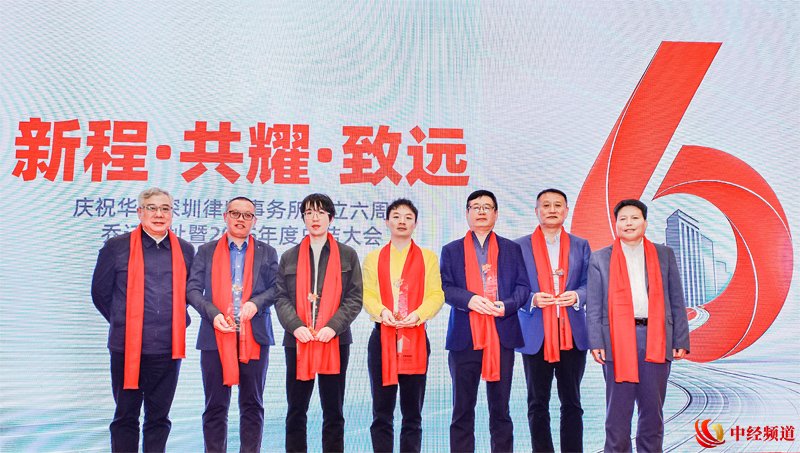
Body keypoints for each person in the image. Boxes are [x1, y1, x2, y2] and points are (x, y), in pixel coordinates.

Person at [91, 187, 194, 452]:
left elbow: (189, 293)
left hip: (168, 349)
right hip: (127, 347)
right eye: (152, 208)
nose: (159, 214)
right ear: (139, 212)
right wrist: (124, 321)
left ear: (172, 213)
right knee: (126, 416)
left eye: (165, 209)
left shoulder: (185, 250)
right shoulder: (117, 247)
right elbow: (100, 293)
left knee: (159, 418)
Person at [586, 199, 690, 452]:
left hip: (656, 338)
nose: (629, 223)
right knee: (617, 414)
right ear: (616, 224)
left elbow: (676, 299)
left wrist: (680, 339)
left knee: (652, 412)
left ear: (645, 222)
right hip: (616, 340)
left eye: (634, 218)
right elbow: (594, 305)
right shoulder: (600, 258)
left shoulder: (664, 254)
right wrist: (596, 341)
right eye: (623, 219)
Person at [440, 189, 530, 453]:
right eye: (475, 207)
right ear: (467, 213)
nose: (481, 211)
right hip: (464, 337)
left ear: (496, 214)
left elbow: (523, 287)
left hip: (501, 335)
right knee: (462, 409)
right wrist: (469, 300)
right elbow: (445, 287)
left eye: (487, 207)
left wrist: (507, 306)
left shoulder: (512, 249)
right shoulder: (451, 250)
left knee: (500, 409)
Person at [186, 196, 279, 452]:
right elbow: (192, 290)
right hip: (214, 336)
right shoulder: (206, 251)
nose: (241, 219)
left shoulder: (267, 252)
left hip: (255, 336)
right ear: (225, 216)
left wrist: (256, 304)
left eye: (247, 215)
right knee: (215, 406)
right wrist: (213, 314)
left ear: (254, 221)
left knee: (252, 405)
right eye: (235, 213)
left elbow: (277, 289)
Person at [273, 193, 363, 453]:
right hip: (297, 341)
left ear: (331, 218)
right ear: (303, 218)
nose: (315, 217)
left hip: (334, 340)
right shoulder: (289, 256)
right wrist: (296, 326)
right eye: (309, 212)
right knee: (296, 410)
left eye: (321, 212)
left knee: (333, 410)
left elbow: (355, 297)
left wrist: (332, 327)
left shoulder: (347, 255)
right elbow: (281, 297)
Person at [362, 198, 445, 453]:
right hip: (383, 337)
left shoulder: (428, 258)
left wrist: (418, 315)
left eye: (408, 217)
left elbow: (436, 295)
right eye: (396, 216)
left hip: (415, 337)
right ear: (387, 222)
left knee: (412, 413)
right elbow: (367, 294)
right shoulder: (373, 258)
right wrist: (382, 312)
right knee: (382, 412)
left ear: (415, 224)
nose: (402, 221)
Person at [515, 189, 591, 452]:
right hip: (536, 333)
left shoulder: (581, 245)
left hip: (572, 333)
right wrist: (532, 299)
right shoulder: (519, 246)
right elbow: (512, 287)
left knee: (572, 402)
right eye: (546, 205)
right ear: (536, 211)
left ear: (566, 211)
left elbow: (590, 283)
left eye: (558, 205)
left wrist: (578, 295)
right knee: (537, 403)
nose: (552, 210)